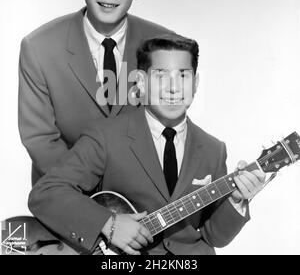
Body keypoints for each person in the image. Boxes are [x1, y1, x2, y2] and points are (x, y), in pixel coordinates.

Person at [28, 34, 266, 255]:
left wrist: (237, 201)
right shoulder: (105, 136)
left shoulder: (214, 149)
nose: (173, 88)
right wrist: (108, 224)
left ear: (195, 83)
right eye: (161, 75)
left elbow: (215, 236)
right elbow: (46, 193)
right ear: (141, 82)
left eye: (183, 75)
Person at [18, 0, 172, 185]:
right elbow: (41, 139)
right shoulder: (39, 47)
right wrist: (98, 200)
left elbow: (171, 127)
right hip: (66, 193)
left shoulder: (166, 46)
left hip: (144, 197)